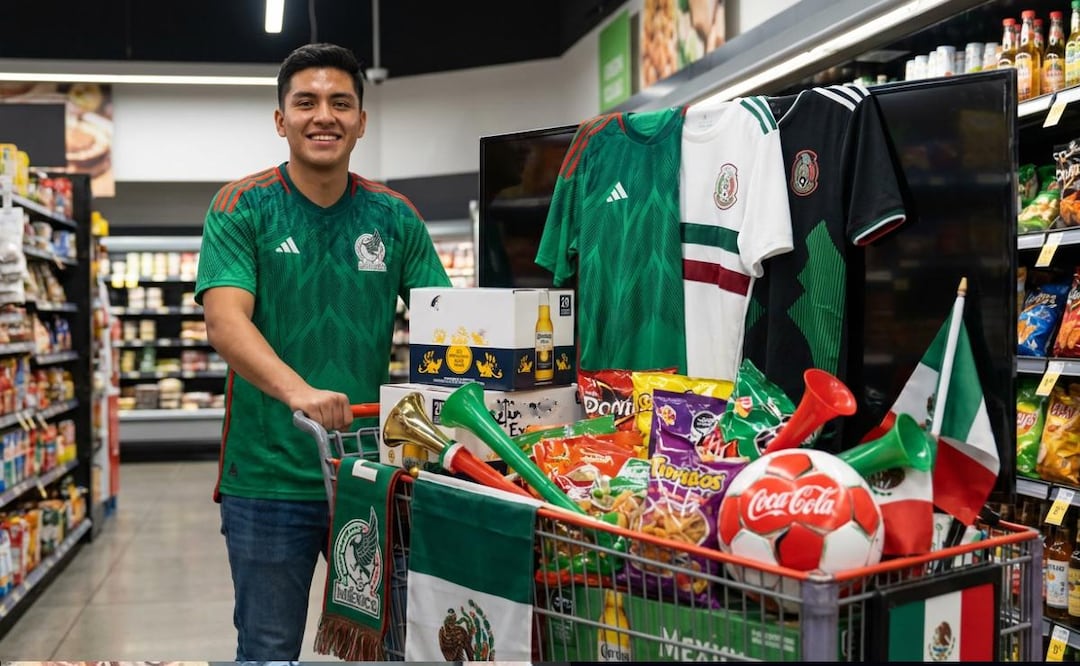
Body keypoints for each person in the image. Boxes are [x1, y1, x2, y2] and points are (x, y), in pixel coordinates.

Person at [194, 42, 451, 660]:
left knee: (390, 645)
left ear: (362, 121)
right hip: (267, 479)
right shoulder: (242, 206)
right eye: (305, 102)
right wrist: (298, 392)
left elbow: (449, 328)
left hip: (372, 474)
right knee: (268, 648)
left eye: (341, 103)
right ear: (281, 120)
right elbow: (226, 323)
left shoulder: (395, 218)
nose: (324, 116)